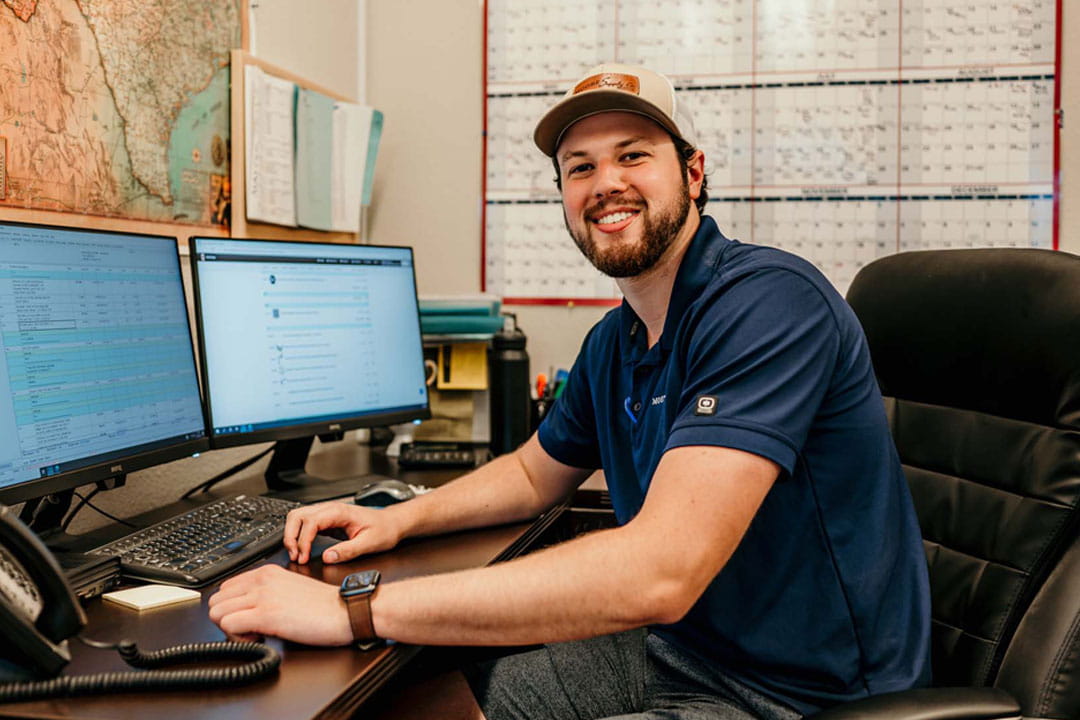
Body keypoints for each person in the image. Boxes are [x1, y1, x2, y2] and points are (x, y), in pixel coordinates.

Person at [208, 62, 931, 719]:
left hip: (802, 695)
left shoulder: (769, 303)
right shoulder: (616, 341)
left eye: (633, 155)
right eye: (579, 167)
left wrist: (353, 609)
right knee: (413, 698)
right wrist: (403, 519)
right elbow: (531, 474)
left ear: (694, 172)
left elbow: (661, 573)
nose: (605, 183)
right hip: (686, 651)